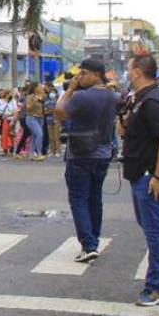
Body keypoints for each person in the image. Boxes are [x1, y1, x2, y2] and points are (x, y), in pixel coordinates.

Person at [120, 54, 159, 307]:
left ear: (137, 72)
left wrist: (158, 176)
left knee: (155, 230)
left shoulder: (152, 101)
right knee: (148, 224)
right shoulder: (140, 99)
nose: (126, 73)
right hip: (139, 172)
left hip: (150, 176)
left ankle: (154, 286)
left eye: (129, 69)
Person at [54, 59, 117, 263]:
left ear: (96, 75)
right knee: (95, 198)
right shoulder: (112, 95)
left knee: (79, 198)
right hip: (103, 153)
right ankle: (93, 241)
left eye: (84, 73)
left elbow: (59, 113)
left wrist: (69, 90)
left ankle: (88, 244)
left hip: (81, 153)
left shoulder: (82, 96)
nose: (79, 78)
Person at [23, 84, 47, 161]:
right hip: (32, 118)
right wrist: (35, 100)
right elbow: (28, 107)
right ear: (35, 88)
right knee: (40, 134)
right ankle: (39, 154)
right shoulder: (30, 97)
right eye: (40, 87)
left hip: (41, 118)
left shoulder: (43, 96)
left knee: (34, 136)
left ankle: (31, 154)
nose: (42, 88)